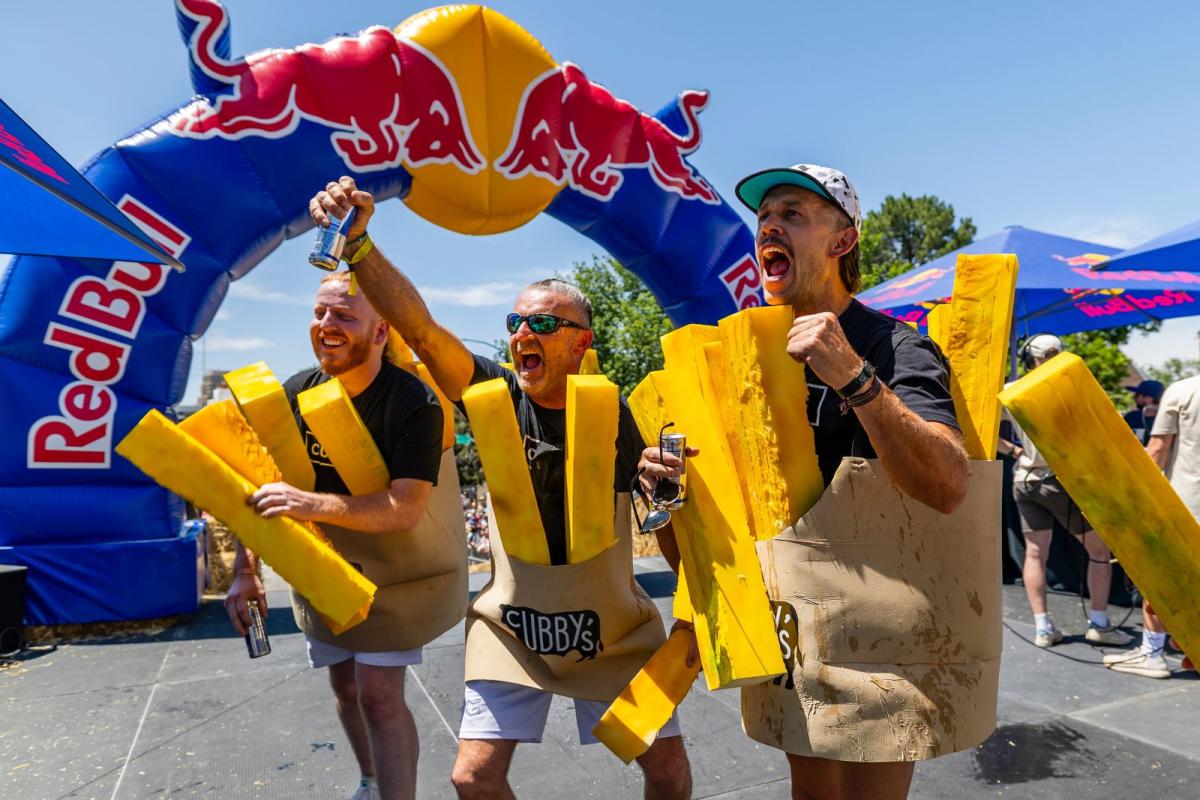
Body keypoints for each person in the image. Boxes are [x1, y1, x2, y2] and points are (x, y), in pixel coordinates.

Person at [308, 177, 693, 800]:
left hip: (611, 628)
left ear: (581, 342)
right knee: (473, 777)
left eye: (544, 321)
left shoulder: (614, 411)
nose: (523, 332)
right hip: (514, 623)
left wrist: (683, 564)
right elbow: (425, 332)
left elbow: (662, 513)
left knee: (668, 774)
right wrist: (359, 247)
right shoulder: (493, 395)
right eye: (516, 320)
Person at [652, 161, 970, 799]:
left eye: (792, 214)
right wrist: (666, 496)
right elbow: (695, 556)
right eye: (764, 218)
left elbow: (948, 484)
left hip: (881, 630)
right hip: (789, 628)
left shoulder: (894, 348)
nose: (769, 226)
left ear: (842, 240)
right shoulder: (734, 365)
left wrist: (854, 377)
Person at [226, 270, 462, 800]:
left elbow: (404, 509)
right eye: (319, 312)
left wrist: (310, 504)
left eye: (344, 315)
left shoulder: (413, 402)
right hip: (326, 567)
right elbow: (257, 487)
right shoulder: (294, 392)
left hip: (397, 571)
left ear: (380, 332)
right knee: (344, 684)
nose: (325, 324)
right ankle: (370, 779)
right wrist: (246, 571)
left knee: (378, 694)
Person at [999, 334, 1130, 649]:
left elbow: (979, 426)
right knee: (1099, 552)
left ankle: (1043, 628)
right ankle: (1099, 623)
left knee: (1034, 553)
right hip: (1056, 480)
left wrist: (1016, 452)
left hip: (1024, 480)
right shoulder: (1066, 392)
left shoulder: (1009, 390)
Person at [1103, 372, 1200, 677]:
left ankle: (1152, 653)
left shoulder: (1184, 391)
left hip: (1186, 507)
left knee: (1159, 580)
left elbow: (1156, 452)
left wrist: (1124, 494)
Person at [1123, 379, 1164, 445]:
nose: (1134, 397)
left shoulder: (1164, 422)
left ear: (1148, 398)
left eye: (1137, 395)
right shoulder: (1130, 417)